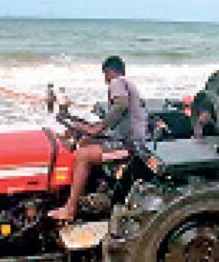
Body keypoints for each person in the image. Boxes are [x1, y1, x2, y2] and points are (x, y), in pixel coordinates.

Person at [49, 56, 147, 220]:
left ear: (109, 72)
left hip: (129, 144)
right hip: (126, 137)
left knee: (82, 155)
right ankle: (90, 191)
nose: (105, 80)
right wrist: (89, 128)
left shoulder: (117, 82)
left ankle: (71, 209)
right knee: (84, 141)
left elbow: (121, 105)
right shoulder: (127, 84)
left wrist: (98, 128)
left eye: (105, 75)